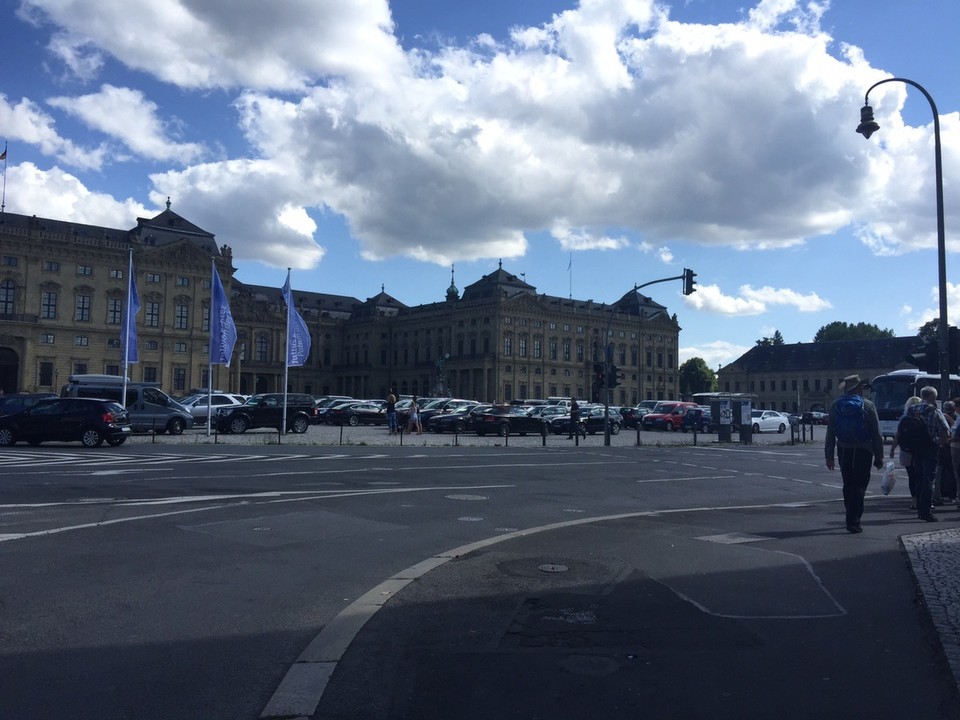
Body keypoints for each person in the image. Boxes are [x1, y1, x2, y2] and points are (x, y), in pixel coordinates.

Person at [825, 374, 883, 533]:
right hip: (864, 449)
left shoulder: (836, 405)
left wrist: (829, 456)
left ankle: (850, 515)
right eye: (861, 387)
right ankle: (854, 520)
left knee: (848, 484)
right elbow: (876, 433)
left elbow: (830, 432)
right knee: (860, 485)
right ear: (858, 389)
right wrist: (879, 457)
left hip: (844, 449)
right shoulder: (867, 405)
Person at [909, 385, 951, 521]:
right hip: (930, 447)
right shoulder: (934, 411)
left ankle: (918, 508)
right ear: (933, 396)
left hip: (915, 448)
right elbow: (946, 430)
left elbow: (902, 426)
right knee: (928, 479)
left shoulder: (912, 409)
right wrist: (939, 442)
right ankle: (925, 511)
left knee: (919, 477)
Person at [890, 396, 922, 509]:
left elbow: (898, 435)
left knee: (912, 477)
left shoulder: (904, 418)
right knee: (922, 476)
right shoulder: (922, 416)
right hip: (920, 451)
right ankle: (924, 500)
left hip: (906, 451)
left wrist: (892, 449)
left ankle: (914, 501)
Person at [934, 400, 958, 505]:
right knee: (952, 472)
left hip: (943, 448)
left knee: (941, 472)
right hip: (951, 448)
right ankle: (952, 494)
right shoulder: (956, 418)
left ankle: (942, 493)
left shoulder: (941, 417)